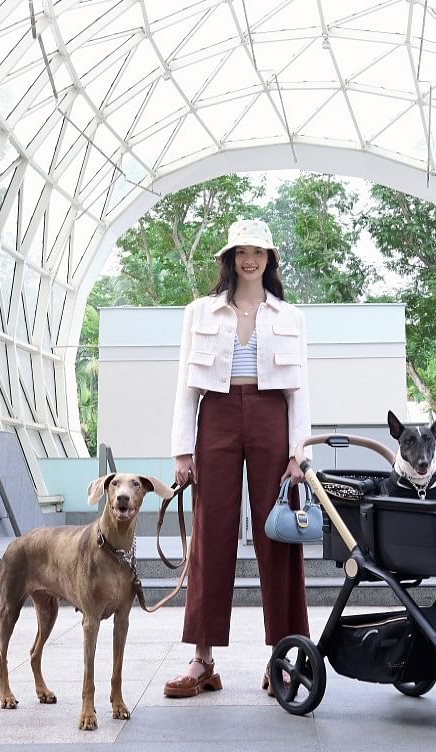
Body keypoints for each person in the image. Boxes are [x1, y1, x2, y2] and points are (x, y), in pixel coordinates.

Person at [164, 218, 311, 697]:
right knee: (210, 535)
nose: (250, 259)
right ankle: (202, 658)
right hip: (217, 415)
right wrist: (182, 451)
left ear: (269, 259)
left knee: (279, 538)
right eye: (241, 251)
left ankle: (285, 656)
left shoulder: (289, 315)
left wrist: (298, 453)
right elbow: (187, 387)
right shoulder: (199, 312)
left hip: (272, 416)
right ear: (229, 259)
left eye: (258, 252)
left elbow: (299, 392)